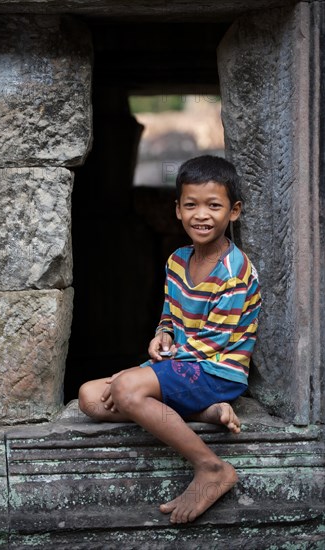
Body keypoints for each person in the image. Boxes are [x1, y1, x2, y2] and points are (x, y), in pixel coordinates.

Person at [79, 154, 262, 524]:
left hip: (217, 372)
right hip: (181, 365)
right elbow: (170, 316)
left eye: (214, 205)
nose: (201, 215)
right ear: (177, 210)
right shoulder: (177, 261)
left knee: (127, 389)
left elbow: (213, 343)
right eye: (191, 205)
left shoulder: (235, 271)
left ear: (234, 211)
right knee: (89, 398)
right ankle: (202, 413)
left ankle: (211, 467)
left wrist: (141, 372)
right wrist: (162, 334)